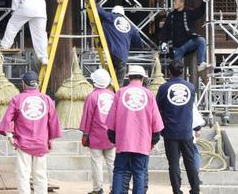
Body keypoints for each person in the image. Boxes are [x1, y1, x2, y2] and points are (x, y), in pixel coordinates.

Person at [0, 71, 61, 194]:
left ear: (23, 84)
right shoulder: (46, 99)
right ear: (37, 84)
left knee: (23, 174)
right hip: (41, 142)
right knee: (40, 174)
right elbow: (54, 121)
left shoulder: (17, 99)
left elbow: (7, 119)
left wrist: (10, 136)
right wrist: (51, 140)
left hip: (23, 143)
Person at [106, 64, 164, 194]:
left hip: (123, 140)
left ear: (129, 77)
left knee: (120, 171)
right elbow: (156, 120)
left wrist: (113, 137)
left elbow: (111, 119)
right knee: (139, 172)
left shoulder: (120, 92)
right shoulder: (148, 94)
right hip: (142, 141)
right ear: (143, 78)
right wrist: (154, 140)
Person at [0, 0, 59, 64]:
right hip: (40, 11)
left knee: (13, 25)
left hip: (24, 8)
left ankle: (5, 45)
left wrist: (14, 9)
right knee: (40, 35)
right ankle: (43, 57)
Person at [157, 59, 201, 194]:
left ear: (169, 72)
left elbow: (157, 107)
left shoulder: (164, 88)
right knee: (190, 161)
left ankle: (177, 190)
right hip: (186, 130)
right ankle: (195, 189)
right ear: (182, 72)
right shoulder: (191, 87)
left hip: (170, 130)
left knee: (174, 163)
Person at [80, 68, 116, 194]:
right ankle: (114, 189)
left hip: (96, 135)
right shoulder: (113, 95)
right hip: (111, 136)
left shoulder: (92, 96)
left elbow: (87, 117)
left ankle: (97, 189)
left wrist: (85, 134)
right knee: (112, 164)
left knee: (97, 163)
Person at [159, 0, 208, 71]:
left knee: (201, 40)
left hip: (187, 43)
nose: (174, 3)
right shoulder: (171, 15)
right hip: (176, 48)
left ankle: (200, 63)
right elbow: (165, 29)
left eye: (175, 1)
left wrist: (204, 1)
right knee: (176, 69)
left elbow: (199, 12)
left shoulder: (188, 12)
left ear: (182, 3)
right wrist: (164, 42)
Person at [98, 5, 144, 84]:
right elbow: (138, 42)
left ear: (114, 12)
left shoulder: (111, 17)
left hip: (111, 52)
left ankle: (107, 92)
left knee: (107, 78)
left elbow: (100, 11)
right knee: (119, 82)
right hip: (122, 56)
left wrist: (92, 1)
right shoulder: (130, 26)